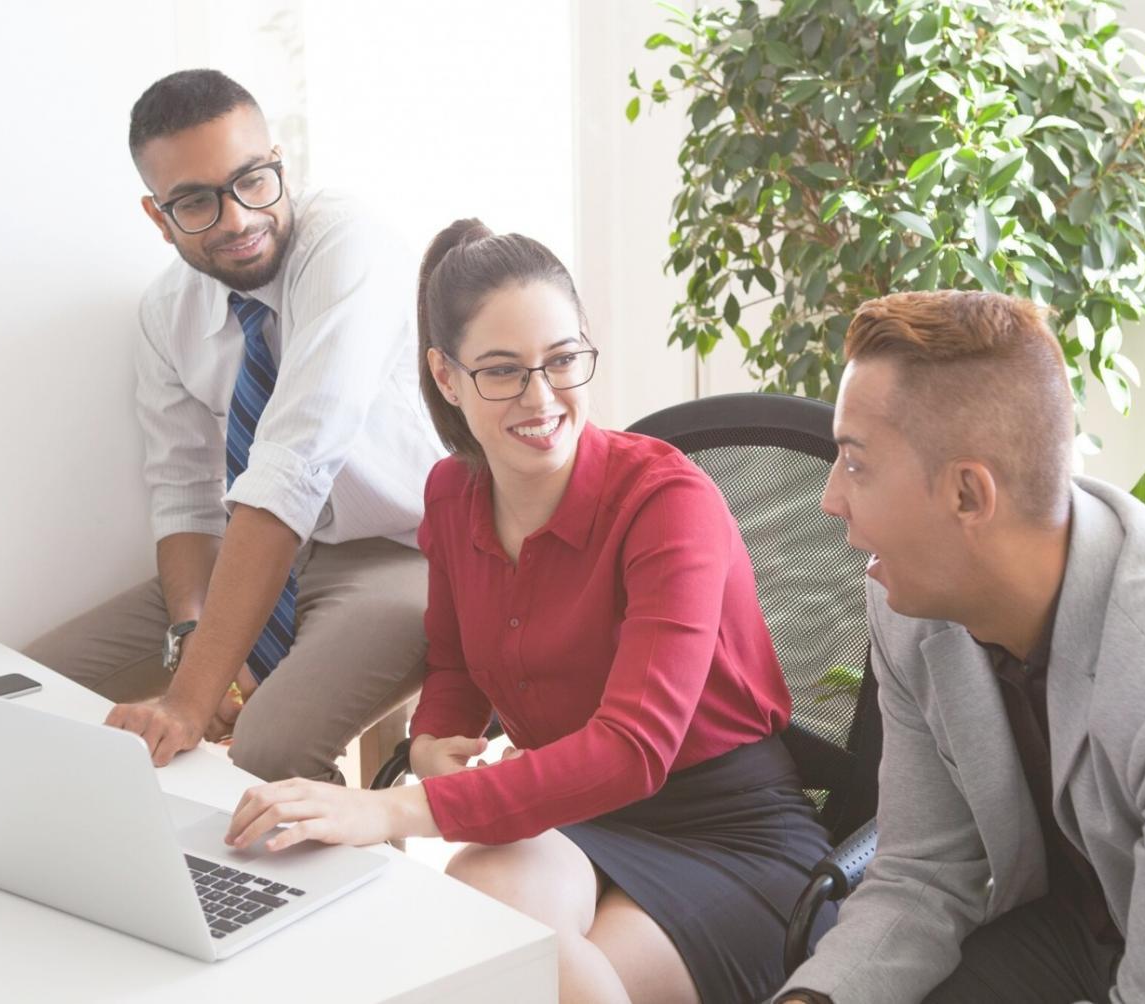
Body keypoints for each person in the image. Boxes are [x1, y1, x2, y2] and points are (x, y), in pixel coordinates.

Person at [224, 219, 838, 1003]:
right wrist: (431, 742)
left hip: (728, 835)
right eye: (502, 371)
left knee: (530, 978)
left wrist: (390, 809)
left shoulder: (667, 502)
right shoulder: (450, 494)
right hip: (571, 814)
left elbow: (632, 748)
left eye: (562, 360)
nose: (540, 397)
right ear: (445, 377)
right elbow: (450, 664)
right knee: (483, 918)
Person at [774, 291, 1145, 1004]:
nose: (829, 499)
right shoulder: (909, 601)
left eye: (855, 464)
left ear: (968, 494)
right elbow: (923, 872)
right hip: (1076, 934)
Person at [23, 69, 444, 783]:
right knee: (26, 694)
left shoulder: (348, 246)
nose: (238, 218)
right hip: (258, 550)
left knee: (270, 752)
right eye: (195, 201)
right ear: (158, 217)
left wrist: (190, 699)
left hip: (404, 549)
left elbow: (293, 466)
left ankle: (302, 886)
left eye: (252, 180)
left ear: (280, 163)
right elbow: (184, 494)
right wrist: (192, 633)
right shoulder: (165, 315)